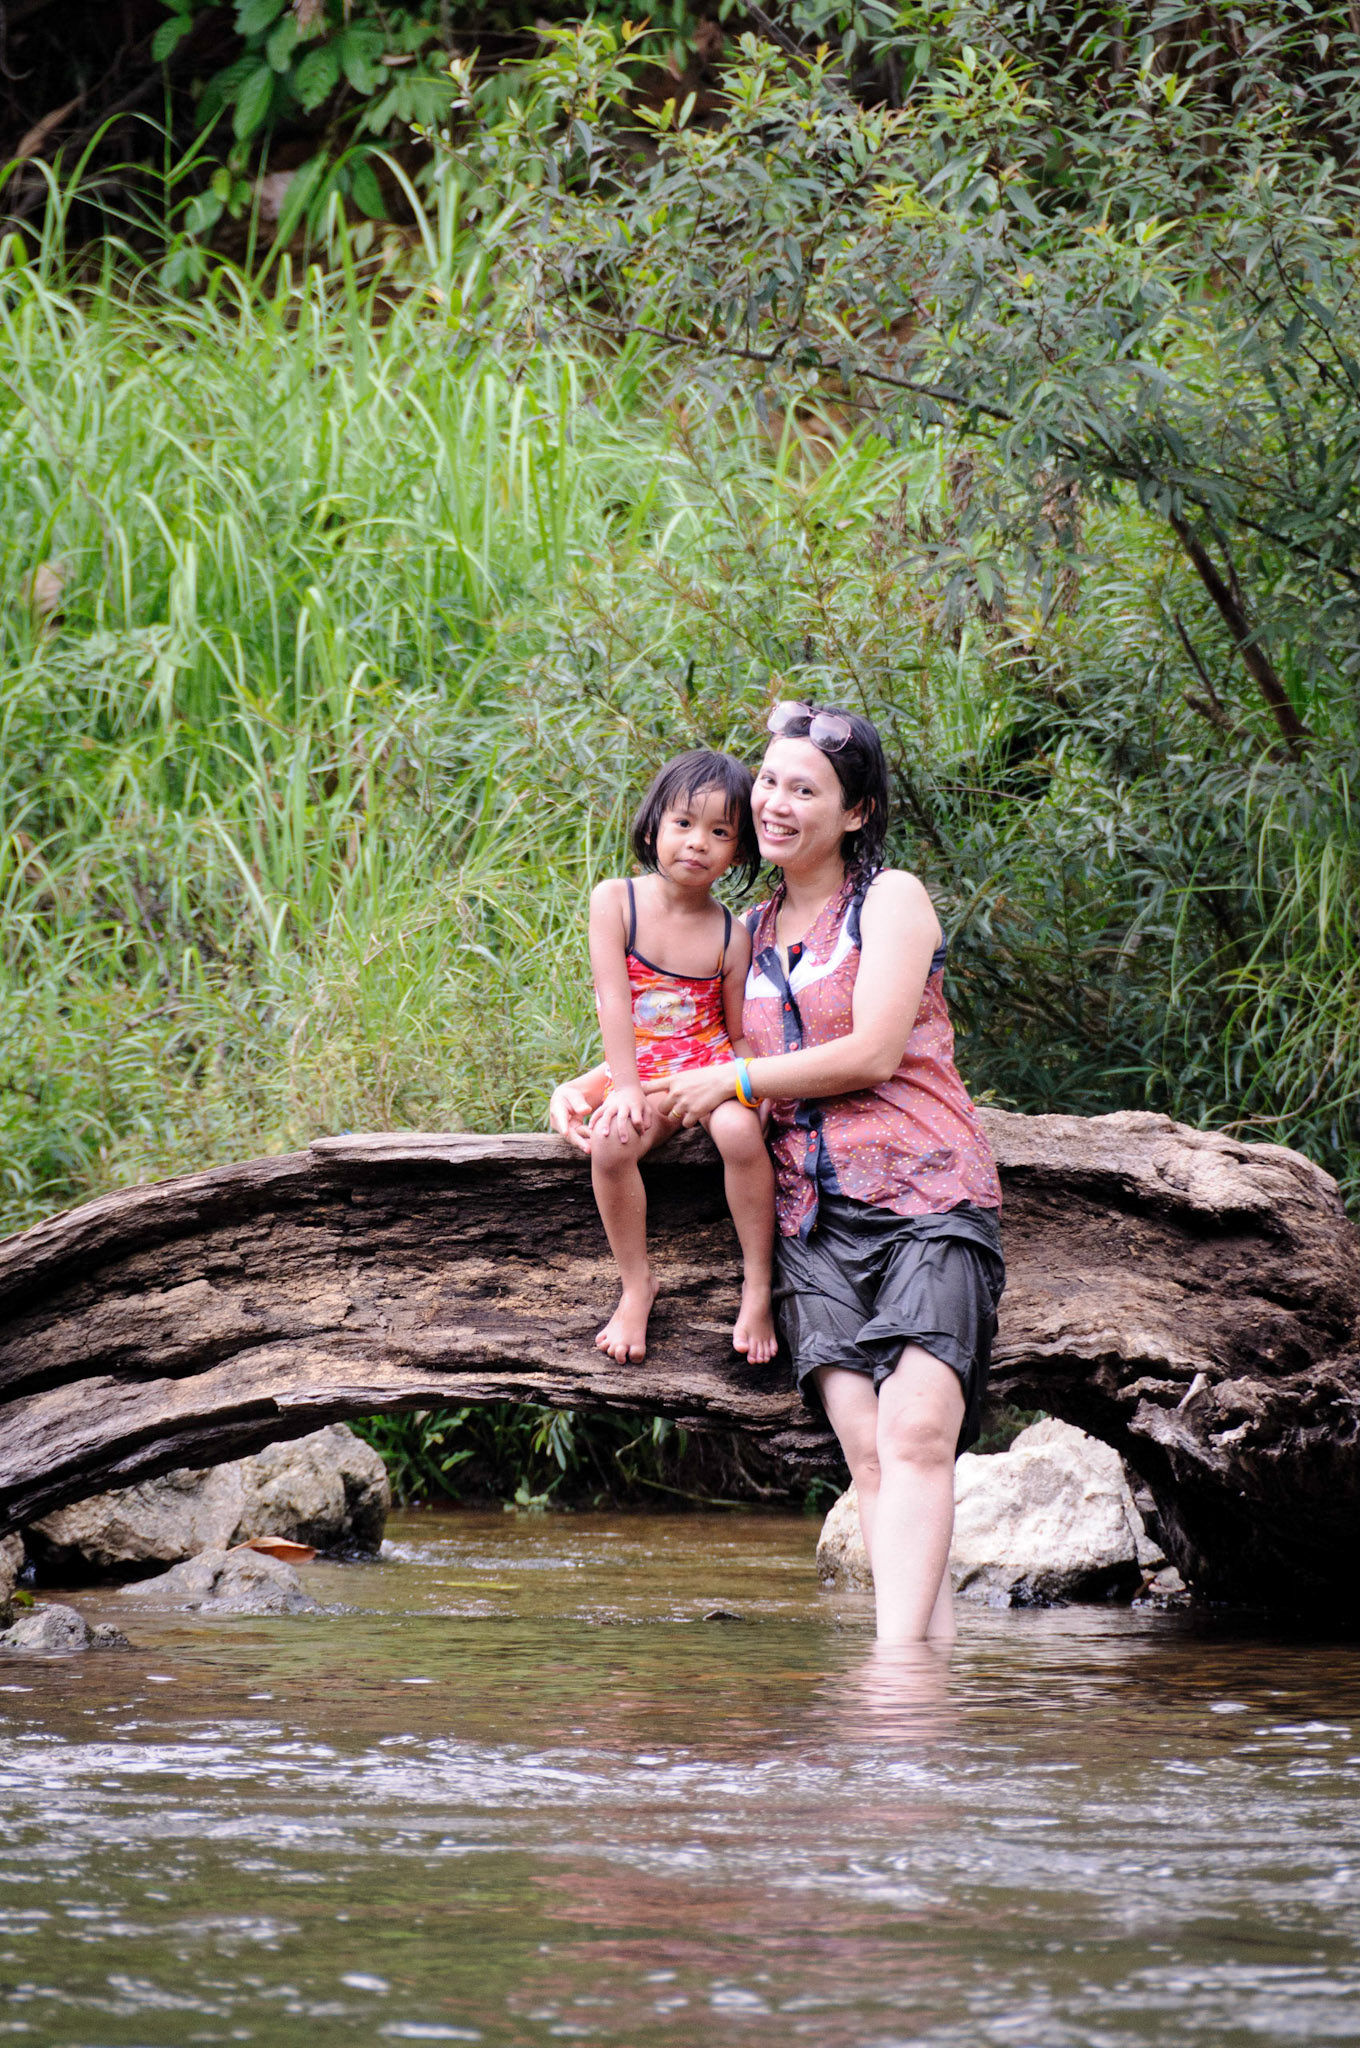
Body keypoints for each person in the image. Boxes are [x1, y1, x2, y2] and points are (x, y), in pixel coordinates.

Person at [551, 705, 1003, 1645]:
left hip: (926, 1193)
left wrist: (738, 1083)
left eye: (805, 789)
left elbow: (873, 1052)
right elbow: (691, 1041)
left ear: (855, 813)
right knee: (867, 1449)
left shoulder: (889, 901)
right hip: (810, 1217)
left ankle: (895, 1674)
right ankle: (923, 1673)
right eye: (769, 782)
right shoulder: (744, 930)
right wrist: (586, 1085)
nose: (776, 802)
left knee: (918, 1432)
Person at [576, 749, 778, 1368]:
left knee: (741, 1134)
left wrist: (755, 1087)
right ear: (653, 826)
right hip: (646, 1076)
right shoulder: (617, 901)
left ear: (739, 852)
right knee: (612, 1142)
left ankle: (759, 1286)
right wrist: (623, 1086)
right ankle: (637, 1283)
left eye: (720, 832)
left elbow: (734, 1032)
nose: (697, 843)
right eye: (684, 823)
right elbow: (614, 1000)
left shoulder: (732, 935)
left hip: (709, 1068)